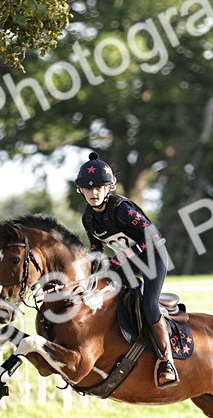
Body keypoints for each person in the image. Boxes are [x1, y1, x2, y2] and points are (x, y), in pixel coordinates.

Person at [75, 151, 179, 387]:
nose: (94, 193)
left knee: (148, 304)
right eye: (88, 189)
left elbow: (153, 236)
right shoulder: (88, 218)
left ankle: (167, 360)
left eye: (99, 188)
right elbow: (96, 249)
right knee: (105, 295)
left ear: (109, 188)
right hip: (126, 262)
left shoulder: (122, 210)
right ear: (81, 191)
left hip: (153, 257)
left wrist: (123, 256)